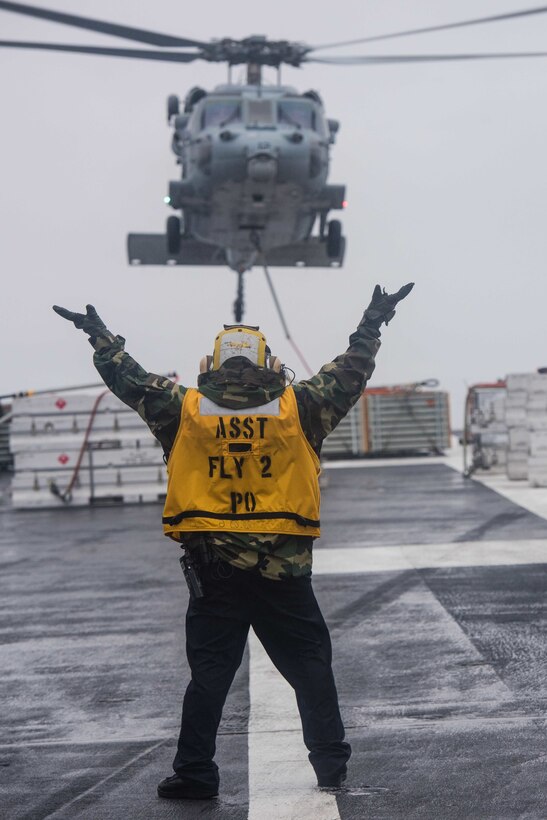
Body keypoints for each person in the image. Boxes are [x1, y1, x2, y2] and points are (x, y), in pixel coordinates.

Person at [52, 282, 413, 800]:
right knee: (310, 666)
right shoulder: (301, 407)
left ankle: (196, 772)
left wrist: (100, 337)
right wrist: (374, 319)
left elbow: (127, 378)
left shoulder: (184, 409)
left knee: (210, 676)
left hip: (213, 571)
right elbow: (352, 371)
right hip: (284, 571)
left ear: (212, 360)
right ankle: (330, 766)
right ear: (268, 361)